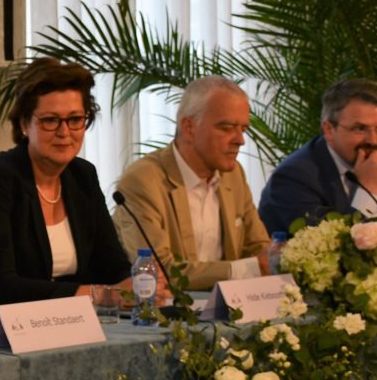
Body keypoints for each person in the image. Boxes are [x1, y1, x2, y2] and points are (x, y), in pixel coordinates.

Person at [0, 58, 133, 310]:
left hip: (68, 323)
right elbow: (1, 287)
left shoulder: (82, 176)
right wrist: (94, 295)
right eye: (50, 120)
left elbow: (113, 267)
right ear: (24, 124)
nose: (64, 132)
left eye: (75, 119)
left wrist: (141, 284)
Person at [112, 77, 271, 290]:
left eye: (243, 129)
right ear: (189, 127)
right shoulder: (143, 180)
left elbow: (258, 249)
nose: (240, 140)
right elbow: (158, 269)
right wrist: (243, 269)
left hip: (229, 310)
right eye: (227, 128)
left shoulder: (233, 175)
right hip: (166, 315)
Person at [257, 78, 377, 250]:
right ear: (329, 130)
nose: (373, 141)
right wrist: (369, 193)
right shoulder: (294, 177)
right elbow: (337, 253)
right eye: (360, 129)